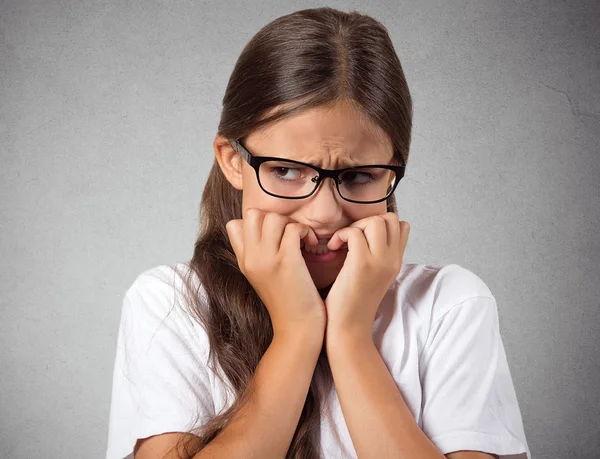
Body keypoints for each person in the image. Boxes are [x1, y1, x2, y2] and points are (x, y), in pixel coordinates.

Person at [105, 7, 531, 459]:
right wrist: (297, 332)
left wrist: (350, 337)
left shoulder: (449, 303)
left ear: (394, 171)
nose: (325, 215)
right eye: (286, 170)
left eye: (360, 175)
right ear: (232, 161)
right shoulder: (172, 302)